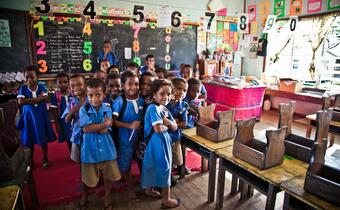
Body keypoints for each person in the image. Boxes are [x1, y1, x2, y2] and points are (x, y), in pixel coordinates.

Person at [79, 78, 121, 210]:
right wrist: (105, 123)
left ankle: (107, 197)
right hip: (89, 151)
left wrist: (98, 126)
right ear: (87, 95)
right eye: (90, 95)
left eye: (98, 94)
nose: (94, 98)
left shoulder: (107, 108)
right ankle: (84, 196)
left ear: (104, 94)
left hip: (107, 149)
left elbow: (104, 132)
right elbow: (86, 129)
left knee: (109, 176)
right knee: (88, 178)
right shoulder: (84, 109)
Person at [141, 79, 180, 209]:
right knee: (164, 167)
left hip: (162, 142)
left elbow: (174, 126)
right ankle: (166, 199)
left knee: (153, 165)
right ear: (154, 95)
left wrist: (167, 122)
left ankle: (149, 189)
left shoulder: (163, 109)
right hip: (156, 143)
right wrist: (168, 124)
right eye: (162, 94)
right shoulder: (153, 108)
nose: (166, 97)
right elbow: (158, 129)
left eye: (168, 94)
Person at [112, 70, 144, 199]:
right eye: (130, 84)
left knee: (141, 159)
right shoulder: (119, 101)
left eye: (136, 84)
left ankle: (145, 183)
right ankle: (129, 186)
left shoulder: (141, 100)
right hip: (125, 139)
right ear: (123, 85)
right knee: (125, 163)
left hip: (140, 138)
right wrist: (129, 125)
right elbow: (113, 122)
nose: (134, 87)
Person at [16, 65, 56, 169]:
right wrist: (37, 99)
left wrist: (30, 100)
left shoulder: (41, 87)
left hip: (40, 116)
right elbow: (20, 102)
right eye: (27, 77)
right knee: (30, 138)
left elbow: (46, 97)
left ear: (37, 77)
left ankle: (45, 158)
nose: (29, 79)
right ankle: (31, 160)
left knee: (42, 138)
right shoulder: (23, 88)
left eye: (32, 77)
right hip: (29, 118)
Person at [166, 78, 189, 184]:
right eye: (178, 88)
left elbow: (184, 123)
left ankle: (169, 176)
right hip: (164, 137)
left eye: (184, 90)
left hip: (175, 137)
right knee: (164, 158)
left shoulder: (183, 106)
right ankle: (165, 177)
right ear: (171, 88)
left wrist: (172, 123)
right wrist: (174, 121)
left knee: (173, 158)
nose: (181, 92)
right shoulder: (165, 102)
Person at [62, 75, 87, 163]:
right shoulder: (72, 103)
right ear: (69, 88)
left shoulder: (92, 99)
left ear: (85, 85)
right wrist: (74, 109)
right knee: (80, 160)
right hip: (77, 136)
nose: (76, 87)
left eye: (79, 85)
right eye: (72, 86)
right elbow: (66, 120)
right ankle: (83, 176)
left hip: (92, 135)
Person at [50, 72, 73, 152]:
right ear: (56, 83)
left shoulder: (73, 94)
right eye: (60, 82)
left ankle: (78, 152)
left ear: (69, 82)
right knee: (68, 137)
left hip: (75, 119)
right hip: (63, 121)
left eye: (65, 82)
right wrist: (57, 124)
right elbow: (55, 111)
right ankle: (71, 152)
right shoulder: (55, 96)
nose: (63, 84)